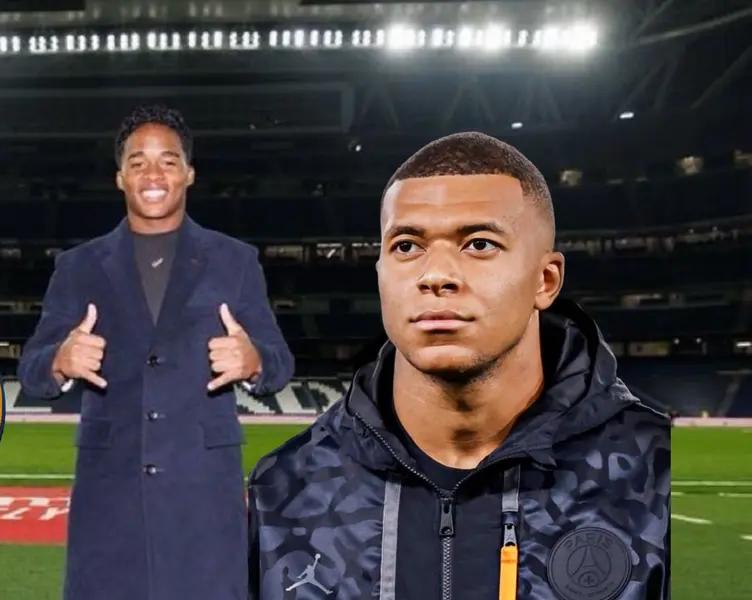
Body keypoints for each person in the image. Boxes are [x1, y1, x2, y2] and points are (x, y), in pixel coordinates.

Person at [248, 132, 669, 599]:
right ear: (381, 275)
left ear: (545, 280)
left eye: (479, 244)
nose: (436, 276)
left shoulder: (655, 471)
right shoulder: (280, 491)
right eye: (407, 246)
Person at [18, 105, 294, 599]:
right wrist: (60, 360)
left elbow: (278, 362)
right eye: (138, 161)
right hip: (109, 498)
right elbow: (33, 369)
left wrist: (254, 361)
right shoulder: (78, 266)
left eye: (167, 161)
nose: (153, 174)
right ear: (120, 176)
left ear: (188, 172)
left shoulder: (235, 261)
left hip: (204, 497)